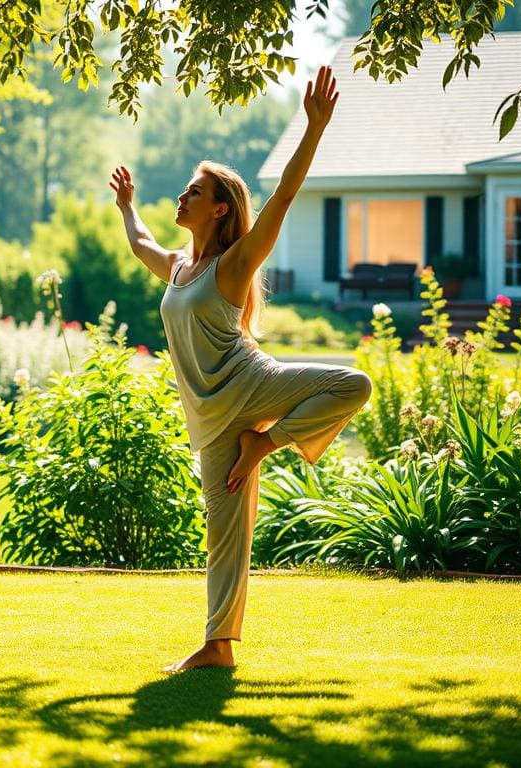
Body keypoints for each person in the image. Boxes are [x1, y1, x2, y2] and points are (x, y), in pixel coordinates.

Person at [109, 66, 373, 674]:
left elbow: (281, 197)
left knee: (352, 384)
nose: (181, 197)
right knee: (223, 535)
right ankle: (218, 647)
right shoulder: (179, 267)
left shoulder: (233, 263)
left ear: (220, 208)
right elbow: (140, 242)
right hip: (211, 421)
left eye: (193, 193)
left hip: (252, 388)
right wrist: (126, 208)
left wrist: (314, 129)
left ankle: (267, 444)